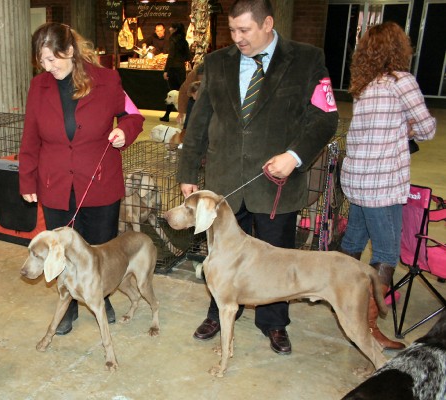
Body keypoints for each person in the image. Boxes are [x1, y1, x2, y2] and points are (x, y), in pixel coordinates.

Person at [177, 0, 338, 355]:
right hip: (224, 184)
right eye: (233, 31)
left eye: (245, 30)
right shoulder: (217, 62)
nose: (238, 38)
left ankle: (274, 323)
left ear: (268, 23)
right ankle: (217, 313)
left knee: (278, 260)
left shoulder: (307, 59)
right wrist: (188, 172)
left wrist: (294, 157)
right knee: (220, 256)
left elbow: (324, 119)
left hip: (276, 184)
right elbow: (199, 120)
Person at [19, 23, 144, 335]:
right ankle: (69, 304)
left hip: (100, 180)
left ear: (70, 51)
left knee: (101, 247)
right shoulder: (39, 87)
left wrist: (123, 132)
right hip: (55, 183)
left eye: (53, 59)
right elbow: (30, 136)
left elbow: (134, 115)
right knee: (60, 249)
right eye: (42, 62)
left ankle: (102, 295)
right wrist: (27, 179)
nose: (49, 68)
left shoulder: (108, 79)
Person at [340, 21, 436, 350]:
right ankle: (367, 327)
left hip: (356, 180)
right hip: (382, 185)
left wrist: (400, 127)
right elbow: (427, 129)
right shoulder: (401, 81)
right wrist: (407, 128)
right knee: (385, 254)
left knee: (352, 244)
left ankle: (344, 308)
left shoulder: (364, 86)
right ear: (400, 49)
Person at [160, 22, 191, 122]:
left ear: (175, 29)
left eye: (171, 27)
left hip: (173, 69)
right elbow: (188, 56)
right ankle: (184, 114)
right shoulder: (184, 40)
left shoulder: (172, 40)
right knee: (182, 93)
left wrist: (166, 70)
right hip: (181, 68)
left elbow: (171, 56)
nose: (169, 29)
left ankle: (167, 115)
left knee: (171, 93)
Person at [176, 61, 204, 127]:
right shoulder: (193, 74)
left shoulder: (217, 75)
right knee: (188, 124)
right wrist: (181, 113)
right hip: (192, 101)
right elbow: (183, 91)